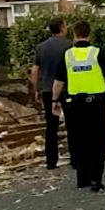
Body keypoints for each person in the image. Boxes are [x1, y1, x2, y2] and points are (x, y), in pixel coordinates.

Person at [51, 21, 105, 191]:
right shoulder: (97, 53)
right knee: (98, 142)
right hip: (96, 105)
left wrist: (55, 101)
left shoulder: (67, 55)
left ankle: (82, 178)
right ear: (89, 34)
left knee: (78, 140)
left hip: (74, 106)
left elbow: (58, 82)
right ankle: (96, 180)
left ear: (74, 35)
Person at [30, 17, 72, 170]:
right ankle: (75, 159)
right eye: (65, 25)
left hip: (48, 90)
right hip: (67, 90)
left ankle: (51, 161)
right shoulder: (69, 46)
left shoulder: (41, 48)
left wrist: (36, 89)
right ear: (61, 28)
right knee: (72, 124)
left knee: (51, 126)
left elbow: (34, 70)